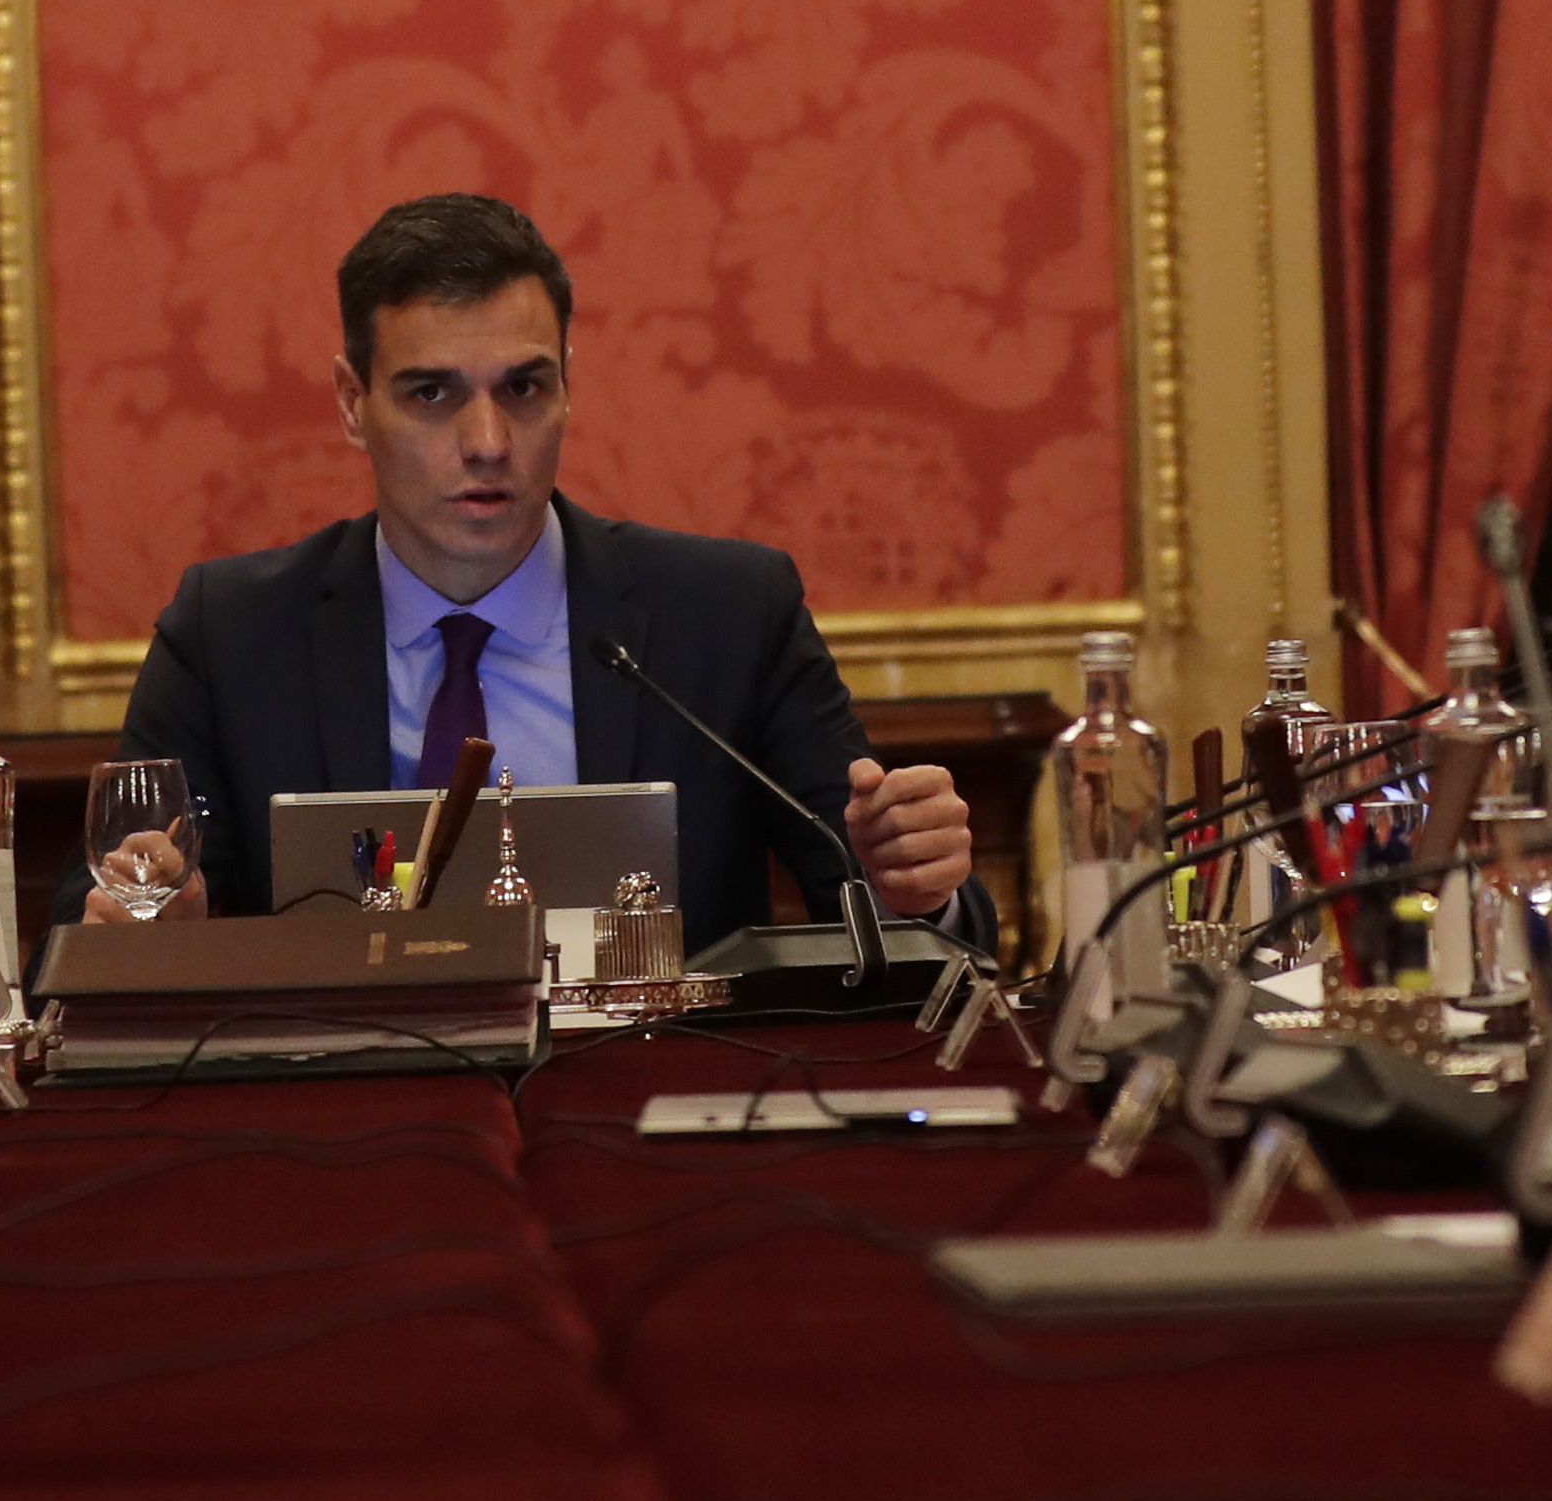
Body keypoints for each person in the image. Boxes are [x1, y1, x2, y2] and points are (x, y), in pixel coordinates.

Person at [112, 193, 972, 950]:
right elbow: (107, 912)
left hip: (652, 1105)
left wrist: (915, 892)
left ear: (567, 386)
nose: (487, 442)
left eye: (523, 389)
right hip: (352, 1116)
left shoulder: (729, 616)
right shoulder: (228, 635)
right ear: (349, 402)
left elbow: (884, 907)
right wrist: (150, 929)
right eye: (431, 394)